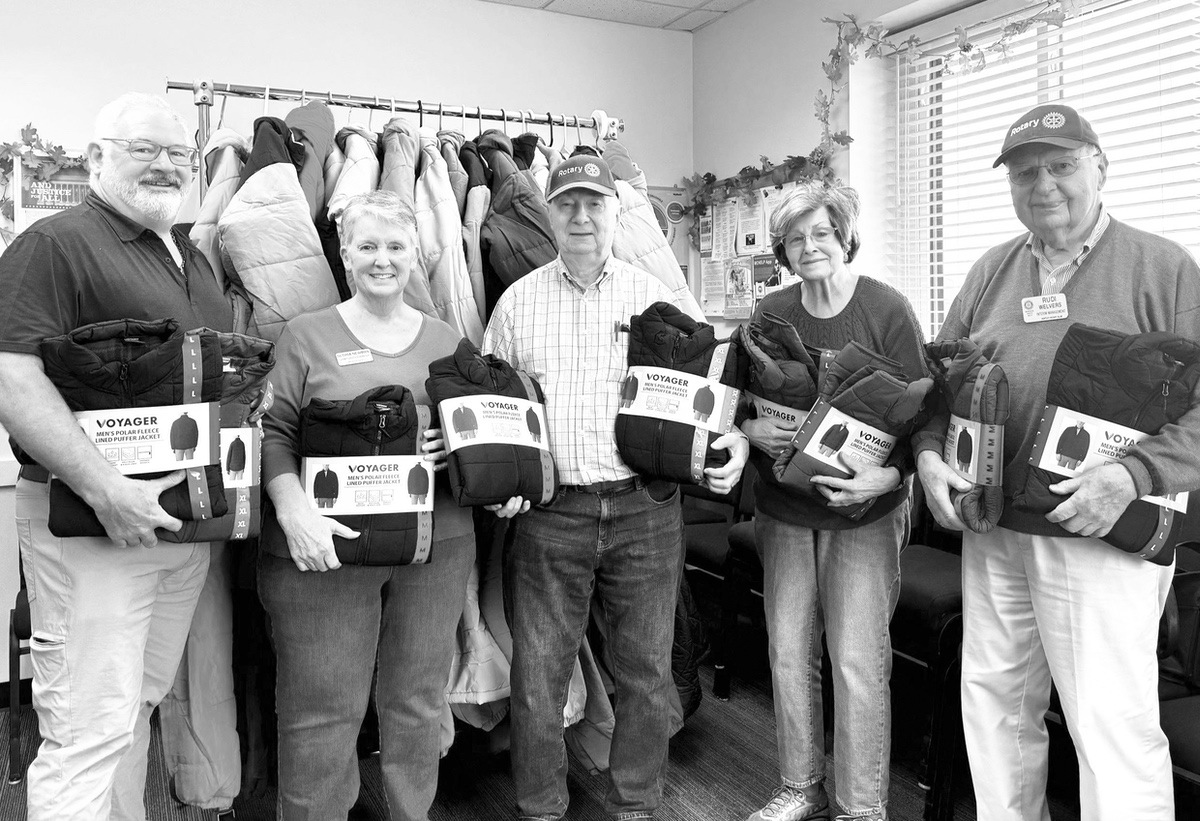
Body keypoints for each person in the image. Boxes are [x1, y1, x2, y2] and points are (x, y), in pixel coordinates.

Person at [915, 103, 1200, 820]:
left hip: (1102, 530)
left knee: (1108, 725)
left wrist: (1131, 476)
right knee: (996, 704)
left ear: (1100, 167)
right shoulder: (991, 270)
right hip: (997, 528)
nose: (1043, 185)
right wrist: (926, 455)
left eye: (1061, 165)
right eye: (1024, 171)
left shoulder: (1163, 268)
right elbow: (939, 384)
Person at [483, 155, 749, 821]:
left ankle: (636, 804)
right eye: (567, 203)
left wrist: (732, 443)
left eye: (593, 203)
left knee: (646, 674)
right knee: (540, 678)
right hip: (551, 515)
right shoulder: (516, 303)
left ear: (614, 211)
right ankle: (542, 807)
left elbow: (712, 390)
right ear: (549, 212)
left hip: (645, 509)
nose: (580, 216)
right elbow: (495, 405)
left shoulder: (652, 297)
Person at [0, 92, 235, 820]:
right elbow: (10, 375)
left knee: (134, 711)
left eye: (179, 154)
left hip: (179, 532)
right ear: (97, 156)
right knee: (85, 733)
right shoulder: (56, 243)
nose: (166, 165)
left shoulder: (190, 253)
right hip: (94, 527)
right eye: (144, 149)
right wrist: (106, 489)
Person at [257, 190, 474, 820]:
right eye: (368, 245)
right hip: (324, 543)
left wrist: (450, 442)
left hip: (435, 545)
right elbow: (271, 433)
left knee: (417, 700)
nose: (383, 259)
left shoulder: (446, 338)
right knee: (322, 708)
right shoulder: (303, 337)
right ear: (345, 254)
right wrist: (293, 510)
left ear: (417, 256)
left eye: (396, 246)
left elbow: (474, 430)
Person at [740, 183, 927, 821]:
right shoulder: (770, 313)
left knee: (856, 659)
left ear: (845, 236)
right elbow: (735, 399)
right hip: (785, 511)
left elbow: (925, 409)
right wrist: (748, 427)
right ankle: (798, 787)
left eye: (821, 233)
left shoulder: (888, 309)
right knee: (788, 652)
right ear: (782, 251)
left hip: (864, 515)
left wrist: (894, 476)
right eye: (796, 239)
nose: (809, 247)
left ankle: (862, 805)